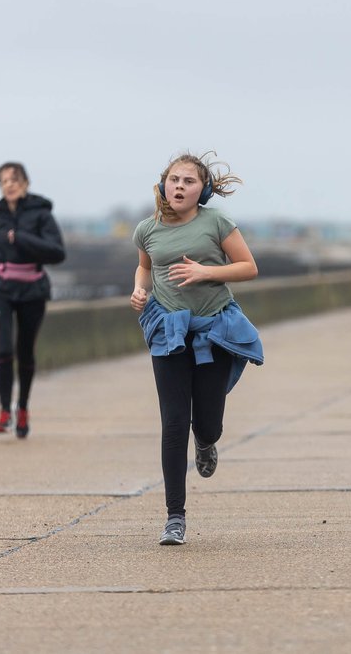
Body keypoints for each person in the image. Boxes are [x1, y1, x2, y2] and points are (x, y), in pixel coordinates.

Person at [130, 152, 263, 546]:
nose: (179, 187)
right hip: (168, 333)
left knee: (206, 422)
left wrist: (206, 271)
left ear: (202, 189)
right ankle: (175, 517)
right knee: (173, 424)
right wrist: (139, 290)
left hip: (214, 331)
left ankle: (206, 442)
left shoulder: (216, 222)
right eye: (174, 179)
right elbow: (144, 266)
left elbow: (248, 267)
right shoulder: (147, 228)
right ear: (163, 184)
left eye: (188, 181)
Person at [0, 162, 65, 437]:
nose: (9, 185)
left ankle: (22, 408)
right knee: (4, 350)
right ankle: (4, 410)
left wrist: (21, 238)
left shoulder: (42, 214)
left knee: (25, 352)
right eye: (3, 181)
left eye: (14, 179)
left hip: (32, 290)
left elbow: (58, 252)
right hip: (0, 288)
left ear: (25, 183)